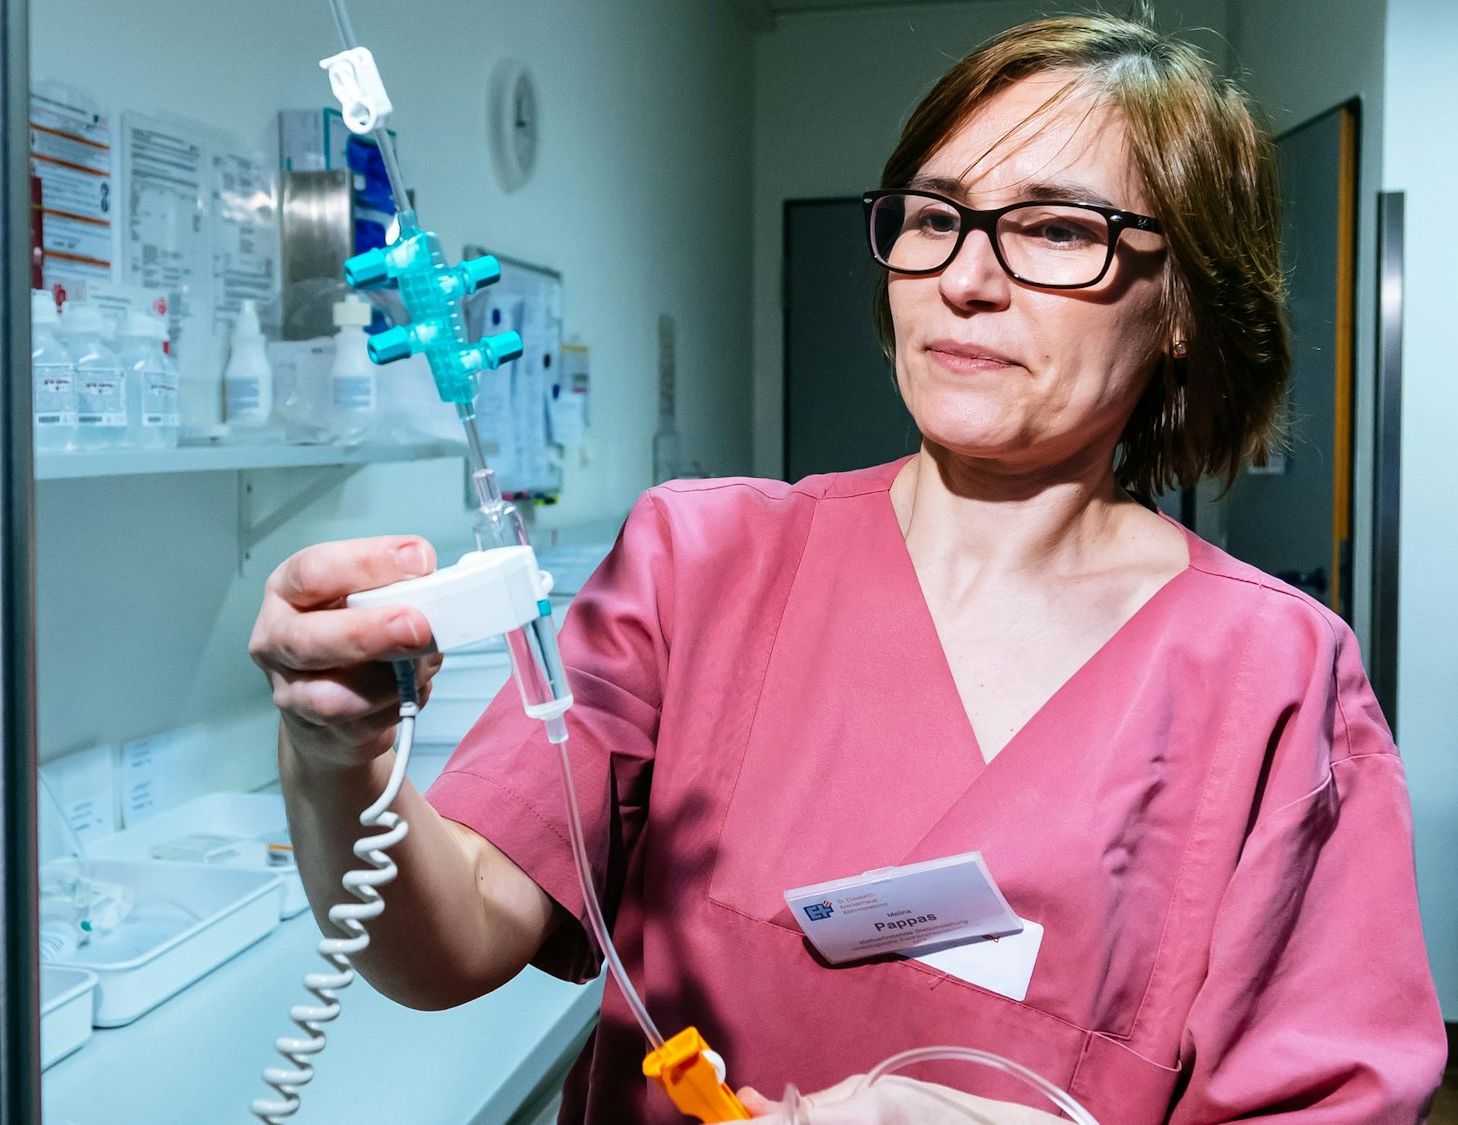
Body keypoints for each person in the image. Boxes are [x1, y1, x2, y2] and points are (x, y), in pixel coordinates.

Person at [249, 14, 1445, 1123]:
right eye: (933, 215)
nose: (964, 277)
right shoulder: (699, 565)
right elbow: (445, 943)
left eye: (1057, 229)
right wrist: (332, 753)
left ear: (1181, 302)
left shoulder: (1271, 677)